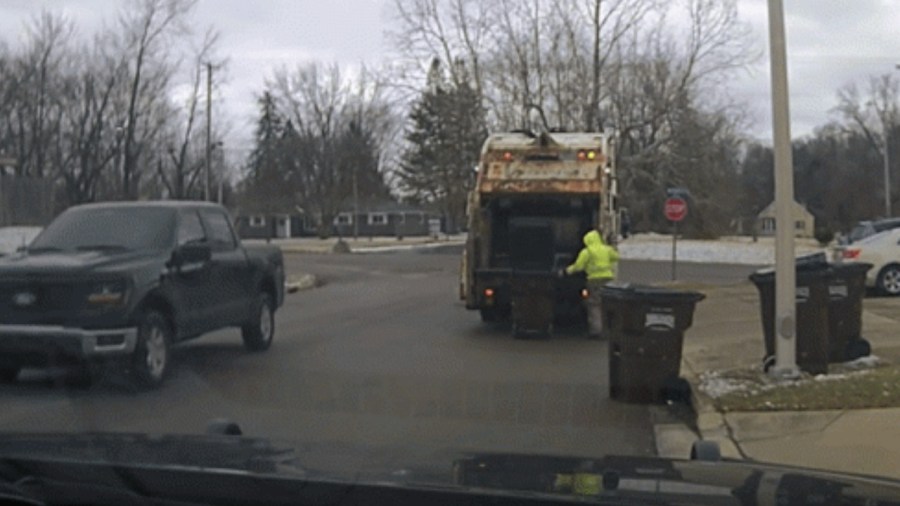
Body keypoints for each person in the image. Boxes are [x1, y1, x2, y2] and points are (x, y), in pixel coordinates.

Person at [563, 229, 619, 338]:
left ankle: (596, 330)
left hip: (594, 280)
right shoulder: (606, 249)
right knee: (606, 304)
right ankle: (608, 330)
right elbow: (616, 257)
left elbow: (578, 266)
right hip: (607, 279)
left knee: (594, 304)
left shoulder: (587, 252)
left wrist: (566, 271)